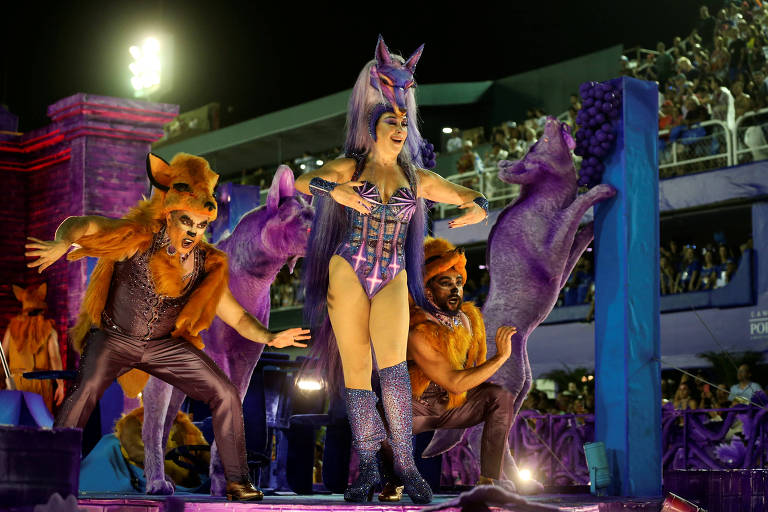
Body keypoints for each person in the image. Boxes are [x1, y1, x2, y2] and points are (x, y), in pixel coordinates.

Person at [25, 152, 309, 501]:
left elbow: (234, 314)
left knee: (224, 393)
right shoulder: (138, 235)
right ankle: (50, 473)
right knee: (84, 392)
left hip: (164, 343)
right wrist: (62, 239)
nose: (193, 232)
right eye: (187, 222)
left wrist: (269, 335)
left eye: (202, 226)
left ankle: (235, 479)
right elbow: (87, 224)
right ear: (171, 214)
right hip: (118, 337)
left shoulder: (208, 262)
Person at [295, 36, 487, 504]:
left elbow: (464, 192)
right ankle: (368, 470)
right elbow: (305, 181)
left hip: (392, 272)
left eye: (404, 121)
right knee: (358, 371)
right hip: (350, 266)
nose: (401, 127)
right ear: (373, 126)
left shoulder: (415, 177)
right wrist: (334, 191)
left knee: (395, 372)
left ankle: (406, 467)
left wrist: (478, 205)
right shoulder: (352, 165)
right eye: (391, 121)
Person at [377, 238, 527, 501]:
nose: (455, 289)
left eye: (458, 283)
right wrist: (500, 358)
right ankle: (393, 481)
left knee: (499, 397)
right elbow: (454, 381)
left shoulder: (469, 321)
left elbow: (471, 375)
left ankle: (490, 481)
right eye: (446, 283)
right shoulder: (417, 328)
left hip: (455, 406)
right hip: (415, 409)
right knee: (382, 416)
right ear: (428, 289)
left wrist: (488, 373)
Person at [1, 283, 65, 412]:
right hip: (40, 384)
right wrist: (60, 384)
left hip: (16, 383)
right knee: (40, 426)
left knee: (17, 425)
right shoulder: (48, 328)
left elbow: (3, 357)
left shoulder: (12, 327)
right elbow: (54, 357)